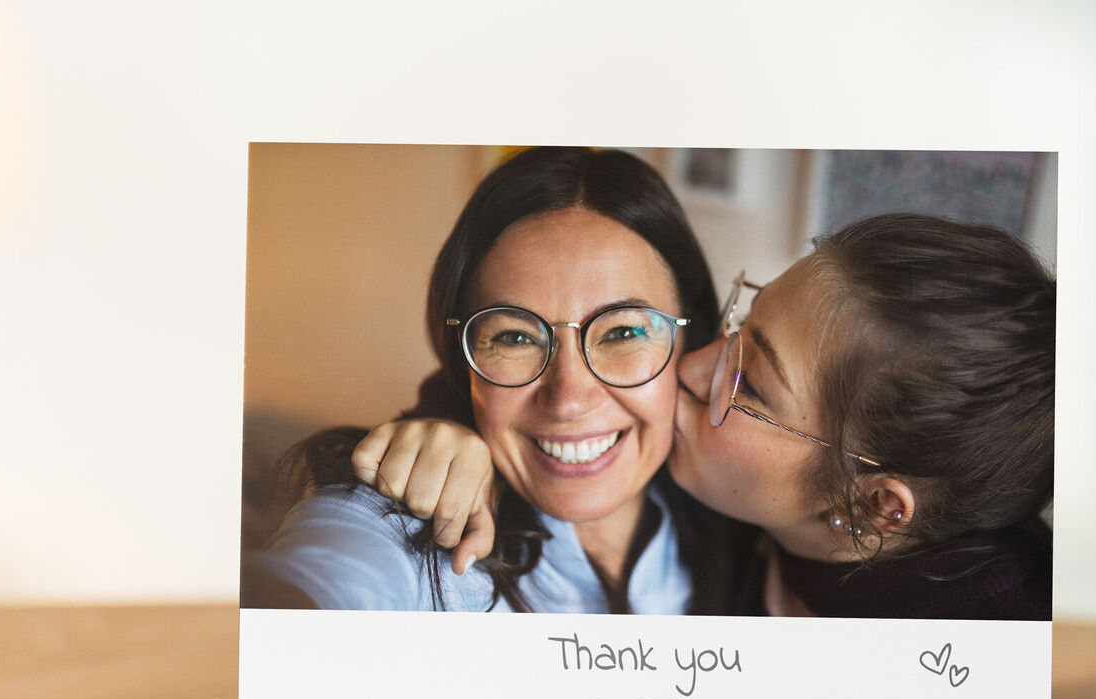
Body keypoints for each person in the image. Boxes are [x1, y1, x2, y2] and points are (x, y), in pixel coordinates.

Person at [356, 213, 1055, 620]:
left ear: (874, 505)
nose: (689, 368)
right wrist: (454, 424)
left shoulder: (999, 646)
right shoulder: (737, 508)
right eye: (739, 322)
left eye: (746, 382)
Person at [242, 147, 750, 614]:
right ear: (462, 360)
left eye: (623, 332)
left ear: (693, 337)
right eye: (514, 338)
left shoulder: (746, 528)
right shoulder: (400, 521)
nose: (569, 399)